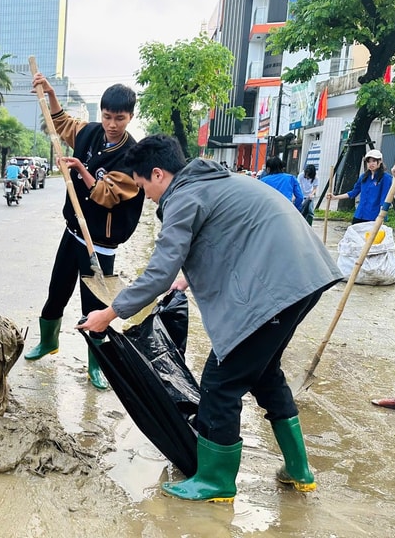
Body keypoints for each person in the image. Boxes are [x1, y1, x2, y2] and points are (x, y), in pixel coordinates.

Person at [77, 135, 342, 502]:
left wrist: (108, 313)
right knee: (265, 375)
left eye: (143, 187)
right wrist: (184, 280)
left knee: (221, 380)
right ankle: (299, 470)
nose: (146, 196)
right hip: (304, 276)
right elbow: (225, 236)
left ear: (157, 173)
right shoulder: (214, 182)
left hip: (278, 286)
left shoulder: (183, 196)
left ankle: (216, 480)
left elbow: (157, 271)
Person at [24, 73, 145, 390]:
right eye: (107, 116)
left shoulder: (133, 158)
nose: (112, 124)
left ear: (130, 117)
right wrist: (49, 93)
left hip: (100, 245)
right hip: (74, 232)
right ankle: (48, 342)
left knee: (95, 309)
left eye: (119, 118)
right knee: (56, 292)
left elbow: (107, 195)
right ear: (101, 114)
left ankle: (98, 365)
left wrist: (81, 170)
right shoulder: (90, 133)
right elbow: (62, 124)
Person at [328, 150, 393, 224]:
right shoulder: (363, 177)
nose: (371, 164)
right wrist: (335, 197)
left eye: (374, 161)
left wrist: (382, 217)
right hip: (360, 214)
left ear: (380, 161)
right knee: (354, 234)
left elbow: (384, 198)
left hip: (374, 216)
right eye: (368, 161)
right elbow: (353, 192)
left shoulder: (386, 178)